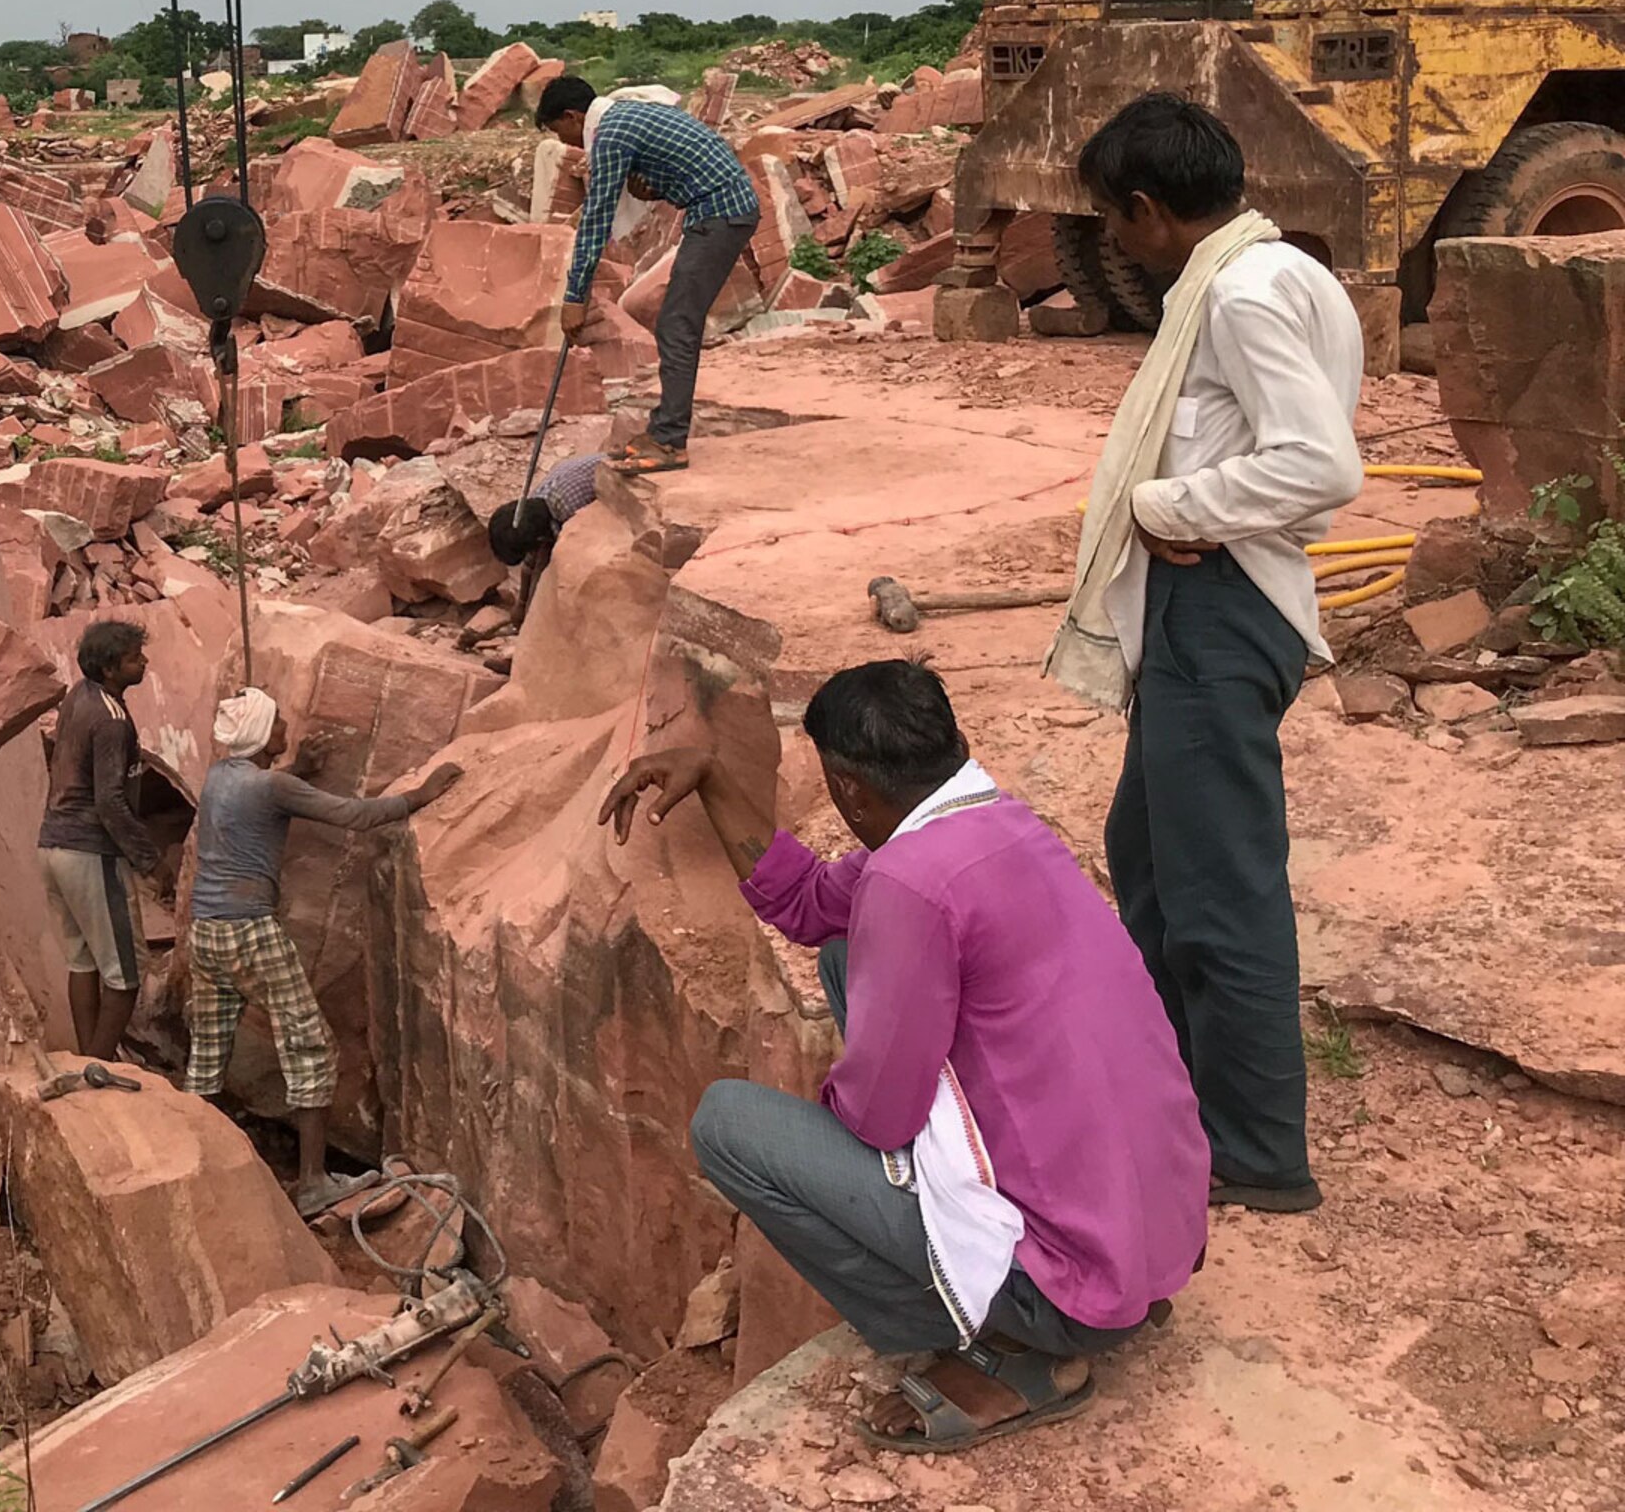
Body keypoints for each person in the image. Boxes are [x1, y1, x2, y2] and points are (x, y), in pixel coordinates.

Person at [602, 660, 1206, 1455]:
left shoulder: (910, 883)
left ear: (849, 791)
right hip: (1156, 1232)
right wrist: (713, 778)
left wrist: (837, 1159)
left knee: (728, 1124)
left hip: (1071, 1282)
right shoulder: (995, 827)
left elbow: (879, 1118)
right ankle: (1032, 1272)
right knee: (847, 958)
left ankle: (1008, 1348)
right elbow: (811, 903)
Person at [1052, 92, 1363, 1213]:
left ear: (1147, 210)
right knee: (1146, 851)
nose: (1115, 246)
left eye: (1115, 224)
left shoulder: (1238, 293)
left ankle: (1256, 1149)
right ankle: (1168, 1081)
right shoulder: (1277, 271)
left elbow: (1320, 466)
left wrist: (1170, 507)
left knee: (1218, 889)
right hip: (1210, 611)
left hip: (1222, 613)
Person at [182, 690, 463, 1211]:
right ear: (264, 736)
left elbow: (270, 794)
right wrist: (420, 795)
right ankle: (312, 1182)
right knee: (311, 1047)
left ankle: (196, 1164)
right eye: (278, 721)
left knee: (209, 1050)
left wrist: (298, 770)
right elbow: (355, 815)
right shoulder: (272, 785)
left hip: (206, 930)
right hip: (250, 932)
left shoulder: (223, 776)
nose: (289, 723)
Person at [536, 76, 762, 475]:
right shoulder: (626, 114)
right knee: (676, 321)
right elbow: (682, 160)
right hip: (720, 207)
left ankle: (670, 441)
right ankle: (663, 429)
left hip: (721, 212)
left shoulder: (610, 133)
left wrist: (576, 297)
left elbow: (596, 217)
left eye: (562, 132)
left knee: (677, 324)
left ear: (573, 116)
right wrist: (654, 186)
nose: (571, 145)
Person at [36, 621, 165, 1061]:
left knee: (82, 960)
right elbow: (109, 801)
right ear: (110, 669)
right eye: (134, 658)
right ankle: (98, 1066)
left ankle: (88, 1060)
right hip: (90, 850)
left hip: (52, 843)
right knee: (126, 974)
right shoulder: (112, 720)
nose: (143, 662)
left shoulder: (78, 696)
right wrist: (149, 860)